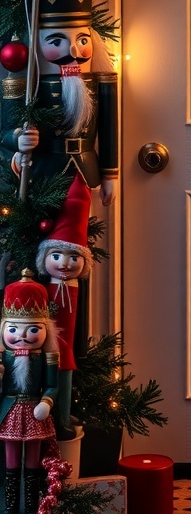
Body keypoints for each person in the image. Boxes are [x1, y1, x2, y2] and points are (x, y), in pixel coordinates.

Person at [0, 0, 118, 213]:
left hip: (85, 171)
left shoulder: (100, 82)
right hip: (43, 171)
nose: (73, 49)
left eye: (83, 40)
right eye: (56, 42)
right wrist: (19, 140)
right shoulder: (27, 83)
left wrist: (110, 174)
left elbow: (108, 131)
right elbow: (6, 131)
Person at [36, 173, 93, 440]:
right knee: (55, 368)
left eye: (73, 258)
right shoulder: (47, 287)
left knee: (67, 365)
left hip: (66, 350)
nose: (65, 264)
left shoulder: (74, 286)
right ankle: (55, 416)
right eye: (56, 256)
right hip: (47, 347)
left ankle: (64, 414)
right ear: (45, 257)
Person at [0, 270, 59, 514]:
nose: (22, 336)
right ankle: (11, 506)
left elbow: (52, 385)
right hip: (9, 410)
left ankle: (32, 506)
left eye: (32, 330)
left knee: (33, 462)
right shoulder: (4, 357)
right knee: (11, 461)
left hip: (35, 411)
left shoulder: (47, 358)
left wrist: (46, 402)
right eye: (14, 329)